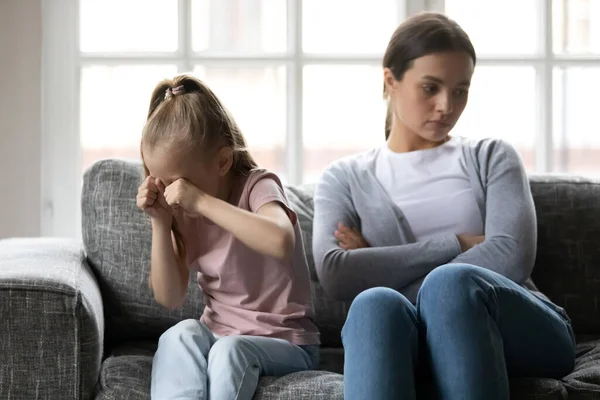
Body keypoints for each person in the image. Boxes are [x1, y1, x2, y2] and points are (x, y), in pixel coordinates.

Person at [313, 12, 575, 400]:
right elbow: (336, 274)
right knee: (373, 303)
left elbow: (512, 255)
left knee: (448, 285)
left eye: (460, 90)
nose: (446, 106)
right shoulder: (344, 177)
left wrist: (379, 262)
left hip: (522, 331)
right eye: (430, 88)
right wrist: (457, 243)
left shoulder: (491, 157)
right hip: (409, 339)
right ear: (391, 81)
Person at [136, 74, 320, 400]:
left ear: (222, 162)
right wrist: (161, 223)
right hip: (218, 333)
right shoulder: (181, 210)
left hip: (286, 342)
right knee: (178, 335)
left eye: (180, 183)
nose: (173, 193)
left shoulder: (257, 186)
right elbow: (169, 296)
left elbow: (280, 240)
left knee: (229, 351)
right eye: (161, 183)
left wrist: (203, 202)